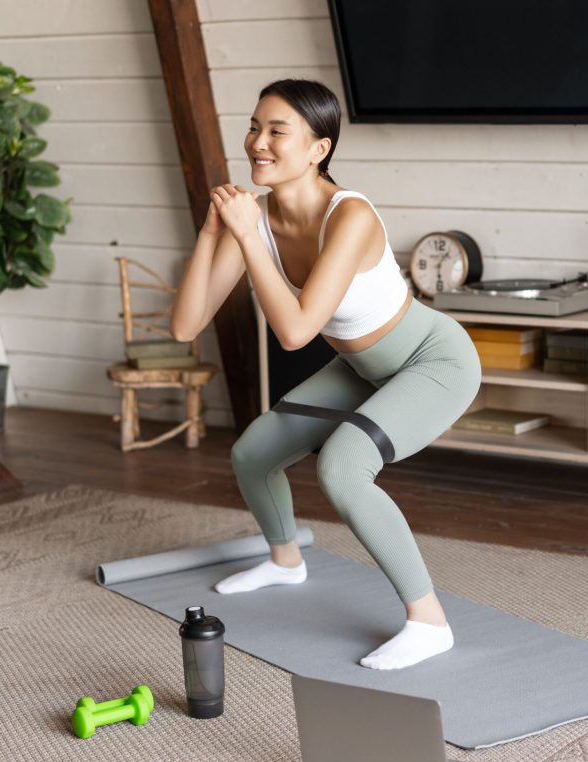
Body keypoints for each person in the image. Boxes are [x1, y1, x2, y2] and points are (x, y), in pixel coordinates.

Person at [170, 79, 481, 670]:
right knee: (253, 452)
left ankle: (429, 621)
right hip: (362, 368)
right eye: (255, 126)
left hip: (433, 363)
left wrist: (244, 236)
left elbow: (295, 333)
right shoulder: (254, 218)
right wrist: (213, 233)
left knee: (344, 469)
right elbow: (186, 325)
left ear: (319, 149)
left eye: (277, 132)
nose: (258, 142)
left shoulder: (351, 216)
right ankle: (286, 560)